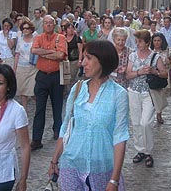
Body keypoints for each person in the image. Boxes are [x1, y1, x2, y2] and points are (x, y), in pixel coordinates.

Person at [48, 40, 129, 190]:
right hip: (71, 165)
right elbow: (66, 128)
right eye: (83, 57)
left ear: (103, 60)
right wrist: (54, 160)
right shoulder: (78, 89)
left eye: (89, 58)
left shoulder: (119, 95)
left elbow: (120, 137)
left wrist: (114, 180)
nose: (83, 63)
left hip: (102, 168)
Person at [125, 30, 167, 168]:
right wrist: (139, 72)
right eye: (136, 41)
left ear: (147, 43)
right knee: (136, 123)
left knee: (145, 123)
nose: (137, 44)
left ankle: (148, 151)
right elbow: (128, 75)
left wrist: (154, 71)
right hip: (133, 92)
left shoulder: (155, 57)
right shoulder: (132, 56)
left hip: (149, 93)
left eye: (140, 42)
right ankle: (140, 150)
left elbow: (164, 74)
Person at [30, 15, 67, 149]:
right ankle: (36, 139)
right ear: (43, 25)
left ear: (54, 24)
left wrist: (43, 53)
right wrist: (51, 52)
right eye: (46, 23)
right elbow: (34, 50)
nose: (48, 25)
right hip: (42, 77)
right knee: (39, 108)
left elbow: (60, 55)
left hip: (56, 76)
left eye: (50, 23)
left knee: (57, 105)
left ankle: (58, 130)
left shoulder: (61, 38)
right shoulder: (38, 38)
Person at [13, 21, 38, 110]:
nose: (25, 30)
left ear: (31, 30)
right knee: (23, 91)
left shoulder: (36, 39)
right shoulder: (20, 40)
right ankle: (24, 110)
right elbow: (17, 54)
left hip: (33, 68)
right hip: (21, 67)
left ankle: (38, 106)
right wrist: (15, 68)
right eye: (23, 28)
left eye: (27, 28)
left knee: (33, 90)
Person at [150, 33, 171, 124]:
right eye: (155, 41)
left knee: (161, 95)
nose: (157, 43)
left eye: (158, 40)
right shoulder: (150, 51)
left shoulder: (167, 51)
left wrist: (169, 61)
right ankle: (156, 113)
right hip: (152, 76)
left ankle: (159, 113)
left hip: (163, 76)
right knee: (154, 95)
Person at [63, 22, 83, 95]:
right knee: (64, 77)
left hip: (74, 60)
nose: (71, 30)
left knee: (72, 77)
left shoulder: (77, 38)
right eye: (69, 28)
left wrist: (80, 60)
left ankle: (72, 92)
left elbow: (80, 50)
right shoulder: (63, 37)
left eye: (72, 28)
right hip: (65, 60)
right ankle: (64, 92)